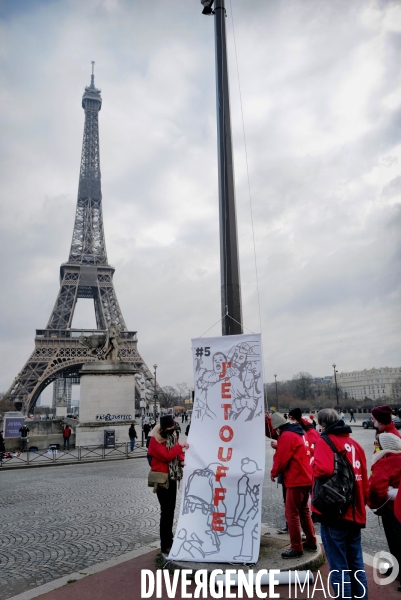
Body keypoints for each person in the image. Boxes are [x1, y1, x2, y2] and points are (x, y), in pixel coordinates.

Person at [312, 408, 368, 600]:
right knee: (356, 564)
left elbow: (322, 469)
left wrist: (312, 462)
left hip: (334, 512)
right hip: (355, 512)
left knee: (338, 567)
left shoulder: (324, 441)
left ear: (322, 424)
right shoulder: (355, 444)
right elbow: (364, 481)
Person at [270, 412, 316, 558]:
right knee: (303, 511)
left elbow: (282, 458)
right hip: (307, 476)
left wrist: (274, 472)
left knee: (292, 513)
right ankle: (311, 541)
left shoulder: (286, 436)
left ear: (278, 427)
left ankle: (296, 547)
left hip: (296, 479)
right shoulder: (300, 433)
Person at [148, 415, 189, 555]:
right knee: (165, 511)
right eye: (170, 429)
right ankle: (165, 544)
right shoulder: (155, 440)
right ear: (163, 429)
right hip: (161, 479)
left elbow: (177, 453)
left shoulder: (172, 436)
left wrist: (182, 460)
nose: (172, 431)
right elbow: (166, 455)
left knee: (170, 510)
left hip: (172, 477)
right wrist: (180, 447)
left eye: (173, 429)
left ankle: (170, 540)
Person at [368, 432, 401, 591]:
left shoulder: (386, 462)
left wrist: (374, 504)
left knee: (396, 542)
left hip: (392, 509)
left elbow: (375, 488)